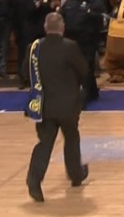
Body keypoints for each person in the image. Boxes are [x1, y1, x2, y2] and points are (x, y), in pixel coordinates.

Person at [23, 13, 90, 203]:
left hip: (43, 105)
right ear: (62, 27)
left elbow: (24, 73)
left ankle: (34, 181)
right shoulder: (70, 47)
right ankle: (76, 175)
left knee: (44, 143)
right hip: (68, 104)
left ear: (45, 27)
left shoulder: (33, 48)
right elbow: (84, 71)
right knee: (71, 138)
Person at [60, 0, 106, 103]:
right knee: (77, 68)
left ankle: (83, 96)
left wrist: (91, 14)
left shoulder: (95, 1)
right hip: (71, 41)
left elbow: (102, 18)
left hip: (88, 41)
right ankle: (92, 92)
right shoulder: (70, 1)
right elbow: (62, 15)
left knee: (85, 67)